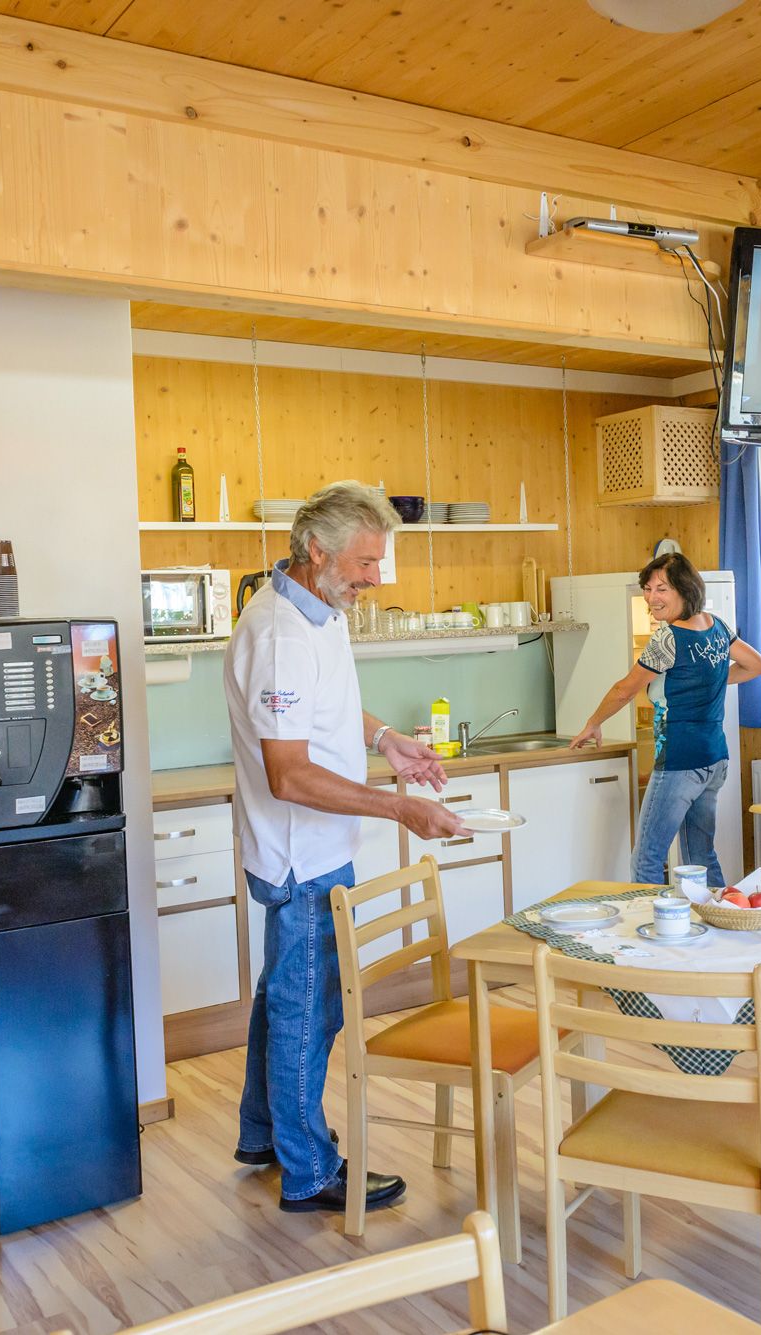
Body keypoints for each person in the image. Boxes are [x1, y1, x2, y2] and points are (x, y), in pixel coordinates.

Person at [224, 481, 466, 1217]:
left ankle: (263, 1135)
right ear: (317, 551)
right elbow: (289, 773)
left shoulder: (319, 611)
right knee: (308, 1010)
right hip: (303, 856)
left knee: (283, 997)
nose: (375, 577)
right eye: (365, 562)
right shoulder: (279, 636)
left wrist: (385, 738)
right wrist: (398, 806)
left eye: (377, 562)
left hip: (318, 846)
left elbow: (325, 707)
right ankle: (310, 1172)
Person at [568, 554, 761, 887]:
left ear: (685, 589)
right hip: (714, 759)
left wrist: (593, 723)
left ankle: (650, 922)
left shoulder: (668, 638)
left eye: (662, 589)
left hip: (679, 761)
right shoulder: (716, 626)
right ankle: (719, 916)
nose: (651, 597)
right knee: (701, 856)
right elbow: (757, 665)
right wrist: (712, 678)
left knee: (647, 859)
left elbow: (624, 690)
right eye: (647, 589)